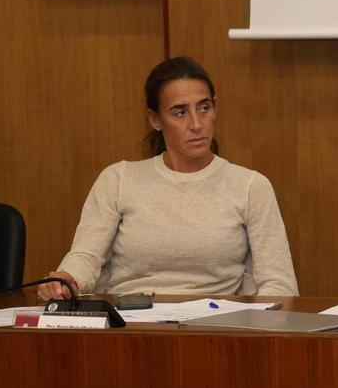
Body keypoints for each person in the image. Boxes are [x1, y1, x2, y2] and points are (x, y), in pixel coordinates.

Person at [38, 56, 297, 299]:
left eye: (204, 108)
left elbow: (279, 285)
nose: (196, 124)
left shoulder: (251, 186)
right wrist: (67, 279)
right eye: (180, 112)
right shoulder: (118, 179)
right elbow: (86, 257)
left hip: (215, 327)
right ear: (154, 119)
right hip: (131, 325)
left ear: (216, 108)